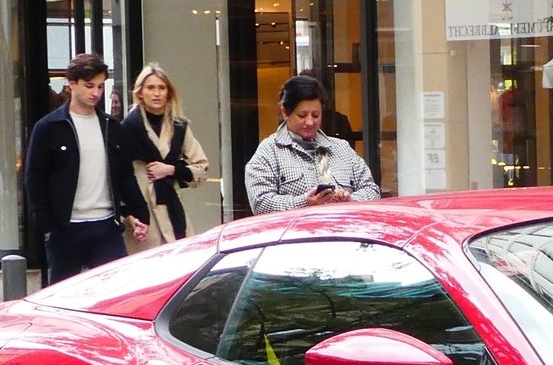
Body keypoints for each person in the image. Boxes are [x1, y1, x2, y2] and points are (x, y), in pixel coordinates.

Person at [22, 52, 150, 281]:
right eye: (89, 86)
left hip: (106, 227)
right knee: (62, 300)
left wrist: (137, 213)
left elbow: (124, 175)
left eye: (100, 87)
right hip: (66, 229)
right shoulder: (49, 128)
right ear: (72, 84)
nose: (96, 93)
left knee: (116, 294)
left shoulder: (111, 127)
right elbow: (35, 178)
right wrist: (49, 226)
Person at [244, 75, 380, 213]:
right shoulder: (269, 151)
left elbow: (372, 190)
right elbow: (260, 203)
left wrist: (349, 199)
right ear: (285, 112)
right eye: (302, 116)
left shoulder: (341, 148)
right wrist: (304, 202)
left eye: (316, 115)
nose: (310, 122)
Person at [121, 63, 214, 248]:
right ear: (140, 93)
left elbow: (201, 167)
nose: (156, 93)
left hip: (173, 210)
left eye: (161, 88)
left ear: (169, 93)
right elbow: (118, 178)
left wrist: (170, 170)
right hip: (141, 214)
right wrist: (129, 215)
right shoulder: (126, 129)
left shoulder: (179, 127)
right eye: (150, 88)